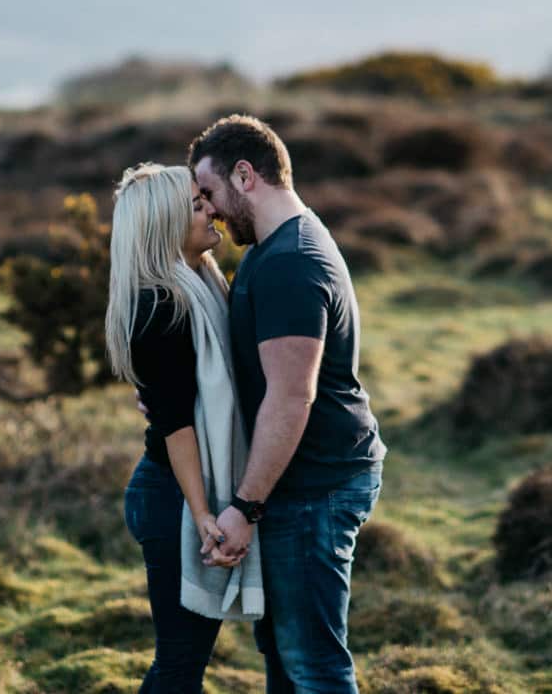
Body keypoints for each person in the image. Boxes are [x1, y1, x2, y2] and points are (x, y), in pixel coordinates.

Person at [188, 115, 387, 694]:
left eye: (210, 192)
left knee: (312, 666)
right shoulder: (275, 248)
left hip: (313, 489)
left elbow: (290, 398)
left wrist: (244, 508)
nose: (210, 210)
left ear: (245, 175)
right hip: (299, 483)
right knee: (283, 655)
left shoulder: (291, 263)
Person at [106, 163, 263, 693]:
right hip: (172, 496)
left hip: (179, 487)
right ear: (165, 227)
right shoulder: (162, 305)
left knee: (184, 662)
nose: (212, 210)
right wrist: (203, 514)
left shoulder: (204, 283)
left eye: (205, 200)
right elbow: (177, 427)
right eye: (197, 207)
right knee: (180, 664)